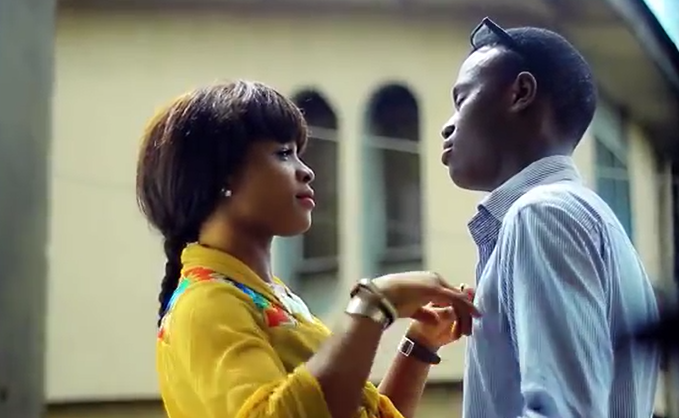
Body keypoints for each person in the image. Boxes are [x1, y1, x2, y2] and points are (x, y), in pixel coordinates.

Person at [136, 80, 479, 418]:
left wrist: (420, 344)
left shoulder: (269, 298)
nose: (307, 171)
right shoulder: (207, 304)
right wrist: (375, 304)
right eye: (284, 154)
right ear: (223, 174)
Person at [440, 17, 660, 418]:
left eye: (462, 100)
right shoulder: (594, 221)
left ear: (521, 93)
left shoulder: (541, 215)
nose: (447, 126)